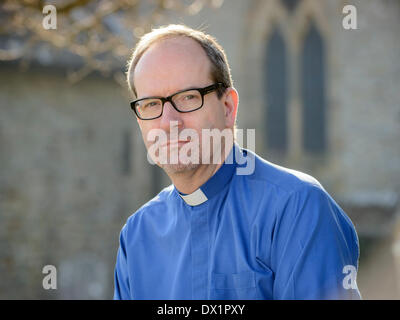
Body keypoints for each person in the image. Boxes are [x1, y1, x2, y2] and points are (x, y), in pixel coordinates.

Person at [113, 24, 361, 300]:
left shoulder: (297, 208)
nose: (168, 122)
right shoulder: (137, 235)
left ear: (228, 108)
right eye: (151, 104)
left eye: (188, 97)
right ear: (140, 120)